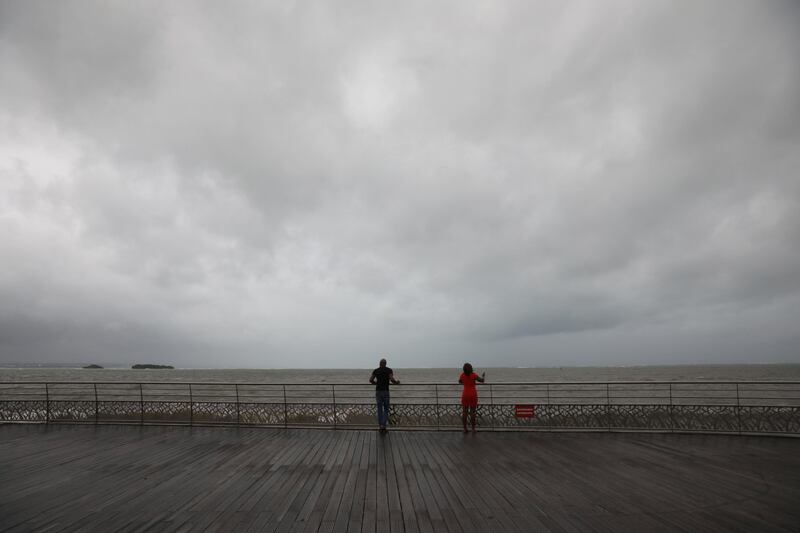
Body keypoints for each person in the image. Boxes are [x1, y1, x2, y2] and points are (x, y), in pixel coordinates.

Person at [370, 358, 400, 432]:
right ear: (385, 364)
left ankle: (380, 426)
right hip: (386, 392)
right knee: (386, 409)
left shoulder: (376, 370)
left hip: (378, 391)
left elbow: (370, 380)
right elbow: (392, 379)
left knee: (379, 410)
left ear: (379, 364)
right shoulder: (389, 370)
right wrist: (397, 382)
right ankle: (384, 426)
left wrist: (376, 383)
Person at [459, 363, 485, 433]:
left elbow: (460, 381)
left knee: (465, 412)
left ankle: (465, 429)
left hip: (465, 395)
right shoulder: (473, 375)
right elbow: (482, 381)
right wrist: (483, 376)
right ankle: (473, 429)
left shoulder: (462, 375)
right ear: (471, 368)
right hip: (473, 395)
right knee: (472, 413)